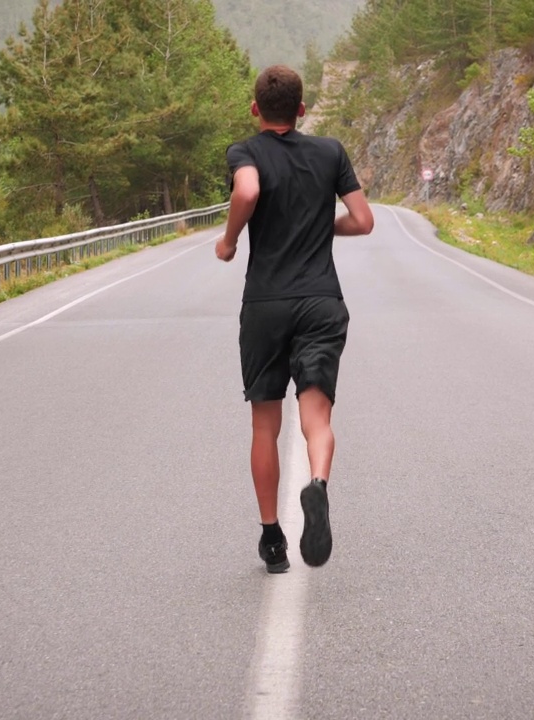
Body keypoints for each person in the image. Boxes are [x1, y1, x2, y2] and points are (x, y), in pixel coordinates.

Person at [215, 65, 375, 573]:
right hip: (321, 302)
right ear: (302, 110)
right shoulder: (329, 152)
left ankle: (272, 541)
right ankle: (319, 485)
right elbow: (364, 221)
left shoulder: (245, 151)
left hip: (265, 305)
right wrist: (317, 226)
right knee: (318, 418)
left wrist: (229, 239)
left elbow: (246, 192)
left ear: (255, 109)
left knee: (265, 425)